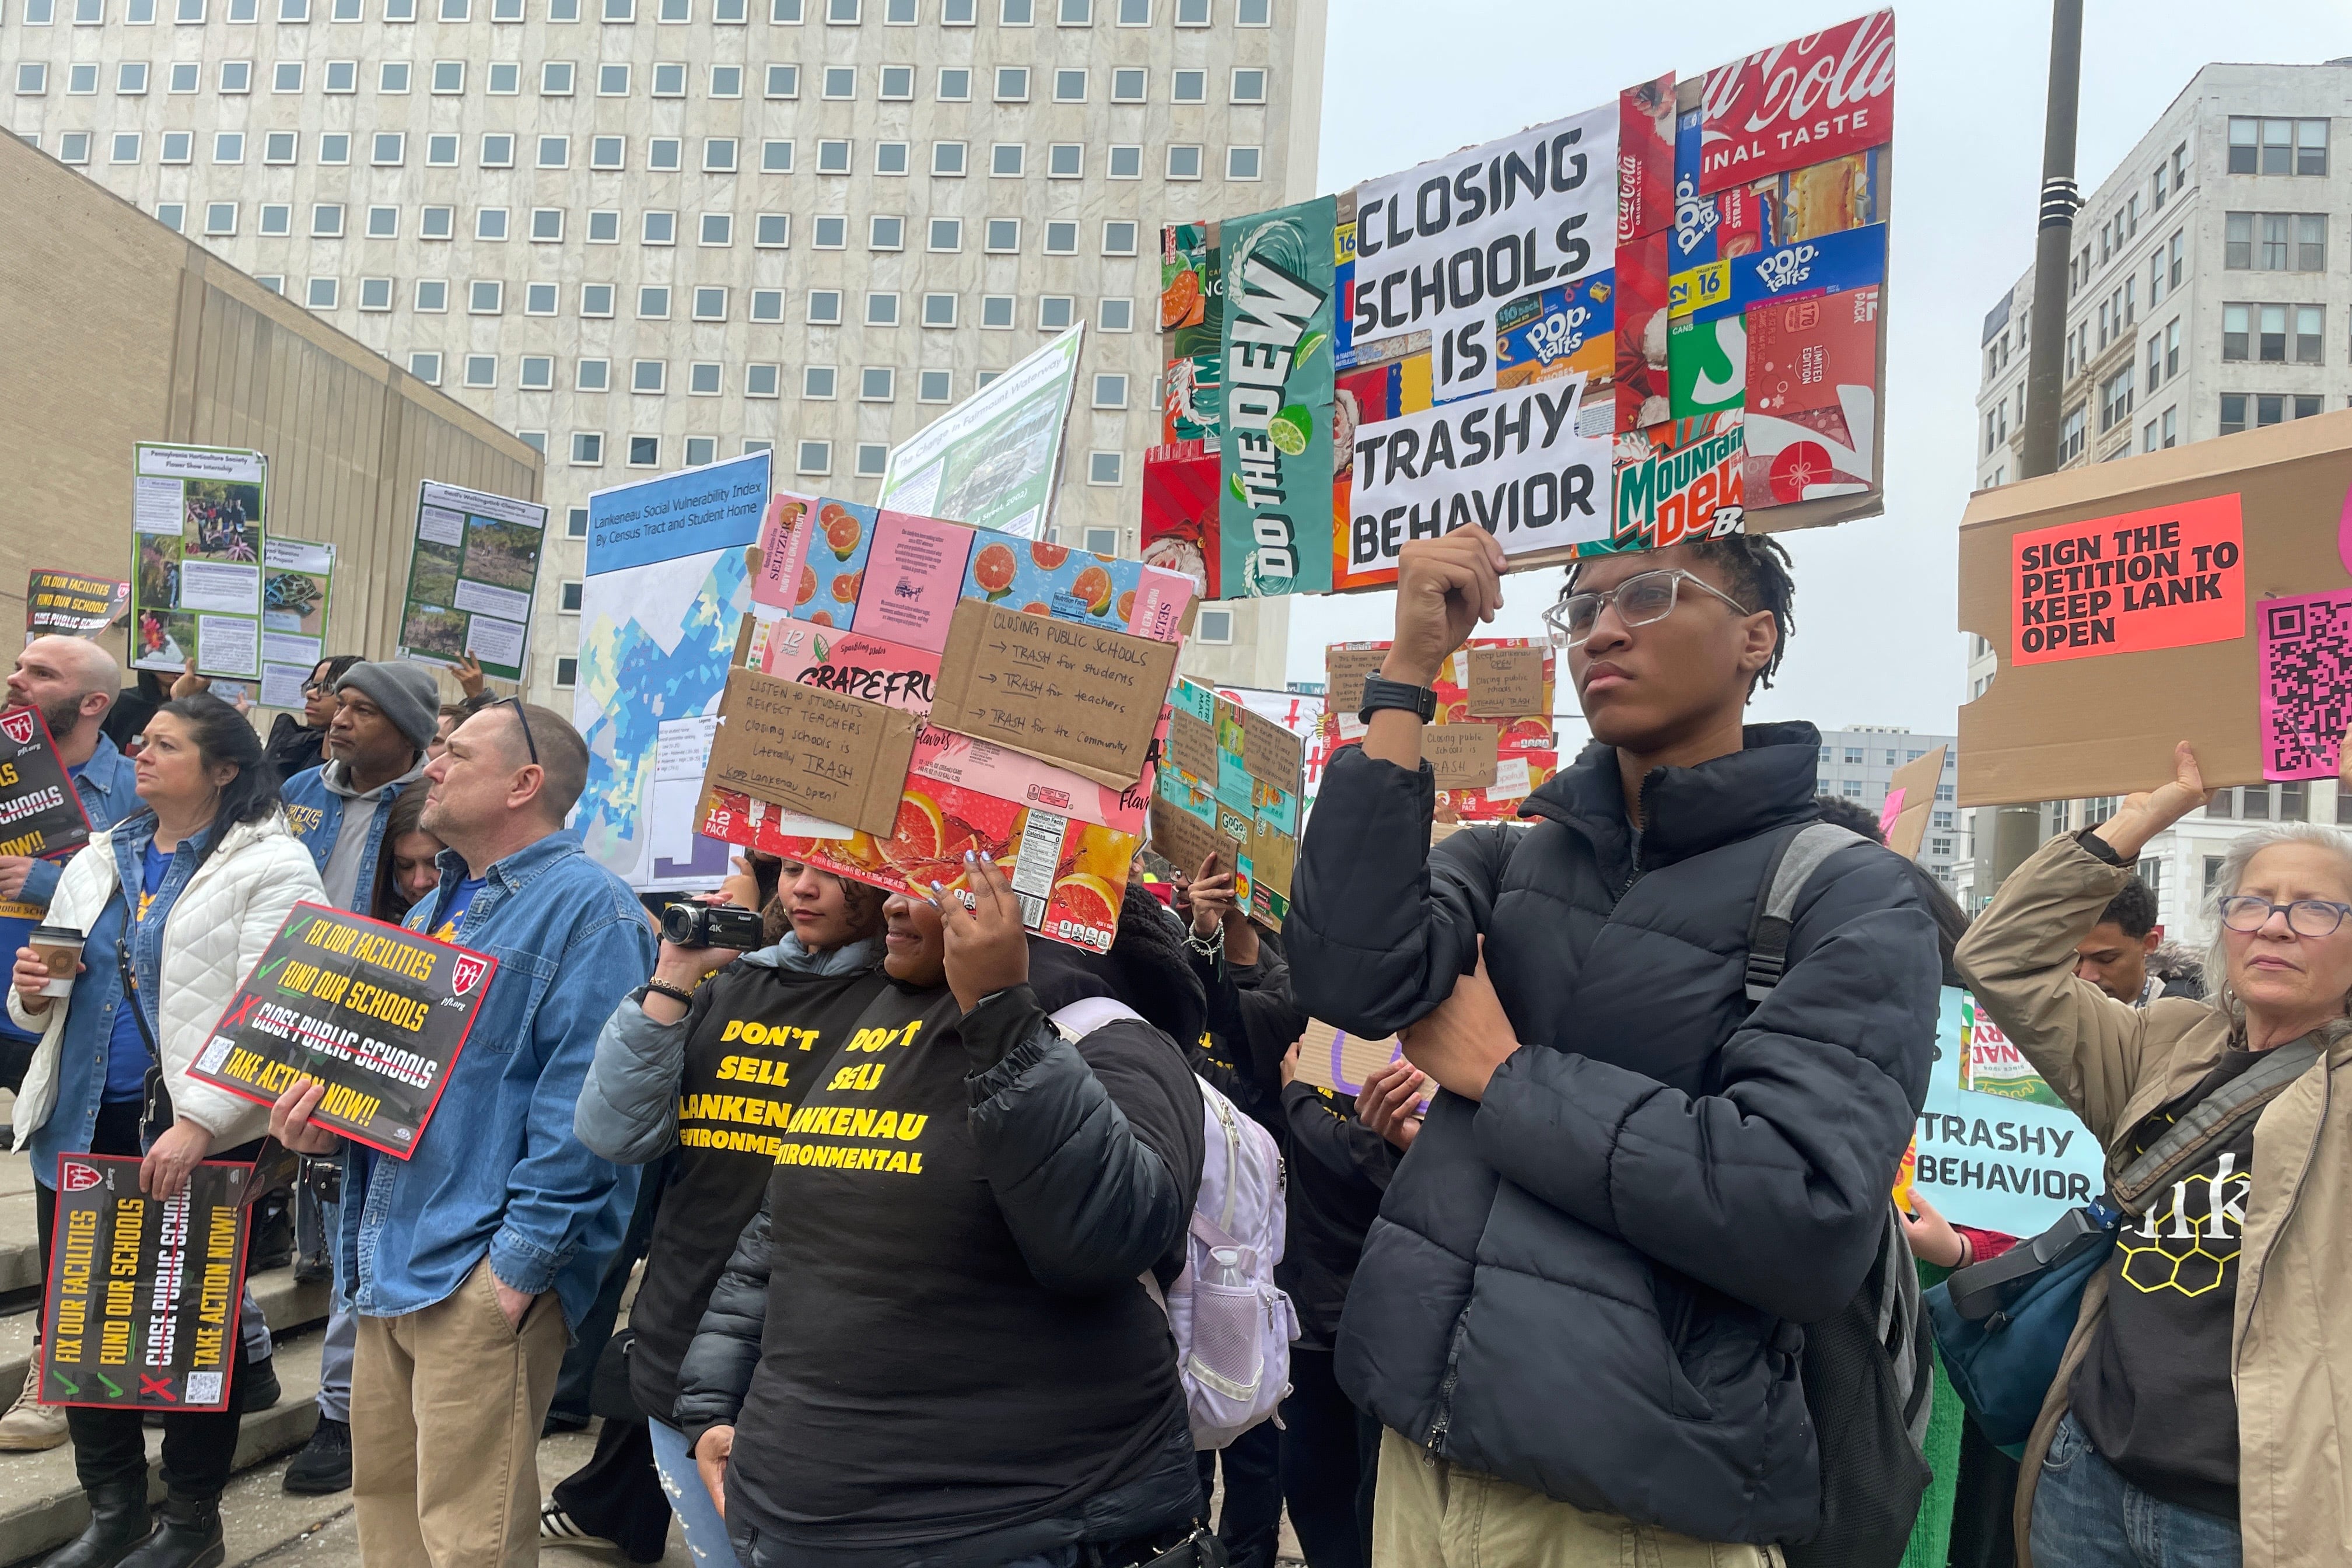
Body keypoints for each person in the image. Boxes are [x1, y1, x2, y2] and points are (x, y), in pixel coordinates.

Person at [1286, 526, 1940, 1564]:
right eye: (1582, 610)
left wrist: (1506, 1079)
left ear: (1753, 639)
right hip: (1420, 1459)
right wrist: (1408, 672)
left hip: (1639, 1510)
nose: (1602, 631)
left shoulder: (1849, 893)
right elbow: (1345, 977)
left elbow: (1801, 1208)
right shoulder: (1507, 858)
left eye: (1647, 595)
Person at [673, 864, 1211, 1568]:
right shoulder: (883, 1019)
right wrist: (714, 1405)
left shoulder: (1115, 1042)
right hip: (799, 1521)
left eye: (930, 887)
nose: (891, 903)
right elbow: (779, 1239)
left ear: (1020, 911)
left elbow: (1107, 1237)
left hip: (1013, 1530)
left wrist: (1001, 1015)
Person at [269, 700, 656, 1568]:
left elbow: (585, 1117)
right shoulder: (428, 914)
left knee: (467, 1543)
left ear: (525, 784)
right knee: (391, 1524)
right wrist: (323, 1131)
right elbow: (399, 1095)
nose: (431, 767)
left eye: (456, 753)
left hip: (476, 1274)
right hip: (384, 1260)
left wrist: (512, 1276)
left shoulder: (591, 912)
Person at [1957, 741, 2352, 1568]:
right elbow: (2000, 960)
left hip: (2253, 1518)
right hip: (2088, 1478)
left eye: (2316, 909)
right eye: (2252, 903)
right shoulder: (2165, 1045)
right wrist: (2132, 827)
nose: (2275, 924)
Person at [8, 694, 324, 1567]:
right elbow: (49, 998)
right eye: (140, 742)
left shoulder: (275, 865)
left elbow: (280, 1014)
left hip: (195, 1141)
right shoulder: (100, 855)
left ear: (223, 770)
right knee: (82, 1334)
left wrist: (204, 1122)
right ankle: (113, 1515)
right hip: (79, 1127)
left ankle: (191, 1524)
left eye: (166, 745)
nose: (140, 754)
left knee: (186, 1339)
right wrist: (33, 990)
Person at [552, 860, 886, 1564]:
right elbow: (613, 1133)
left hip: (815, 1365)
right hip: (681, 1341)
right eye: (794, 868)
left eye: (835, 873)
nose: (803, 888)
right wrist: (674, 972)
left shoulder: (906, 1001)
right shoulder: (728, 984)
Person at [271, 659, 438, 1496]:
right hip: (287, 1015)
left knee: (354, 1222)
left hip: (385, 1031)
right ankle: (251, 1366)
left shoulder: (430, 806)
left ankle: (342, 1416)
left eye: (363, 710)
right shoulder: (299, 790)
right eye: (340, 704)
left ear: (408, 729)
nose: (338, 718)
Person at [2069, 873, 2207, 1007]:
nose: (2086, 976)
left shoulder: (2190, 1021)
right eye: (2075, 960)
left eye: (2106, 959)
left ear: (2149, 945)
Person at [261, 655, 362, 785]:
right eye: (312, 686)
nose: (310, 694)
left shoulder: (361, 777)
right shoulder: (293, 754)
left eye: (327, 687)